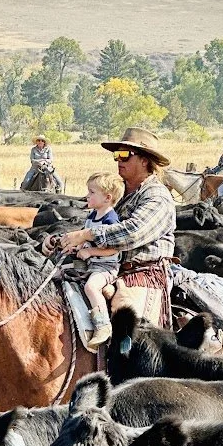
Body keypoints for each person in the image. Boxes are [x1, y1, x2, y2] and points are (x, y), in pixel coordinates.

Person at [43, 127, 176, 329]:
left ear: (144, 160)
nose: (118, 160)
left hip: (141, 274)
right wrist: (62, 239)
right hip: (103, 268)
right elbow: (94, 223)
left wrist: (86, 235)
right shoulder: (117, 192)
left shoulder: (157, 196)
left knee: (131, 334)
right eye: (117, 155)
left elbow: (132, 232)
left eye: (125, 155)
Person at [77, 171, 125, 350]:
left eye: (91, 192)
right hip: (92, 264)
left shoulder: (110, 219)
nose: (87, 196)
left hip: (106, 266)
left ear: (107, 197)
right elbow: (85, 238)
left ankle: (102, 325)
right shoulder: (91, 217)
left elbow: (114, 248)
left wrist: (90, 251)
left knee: (91, 287)